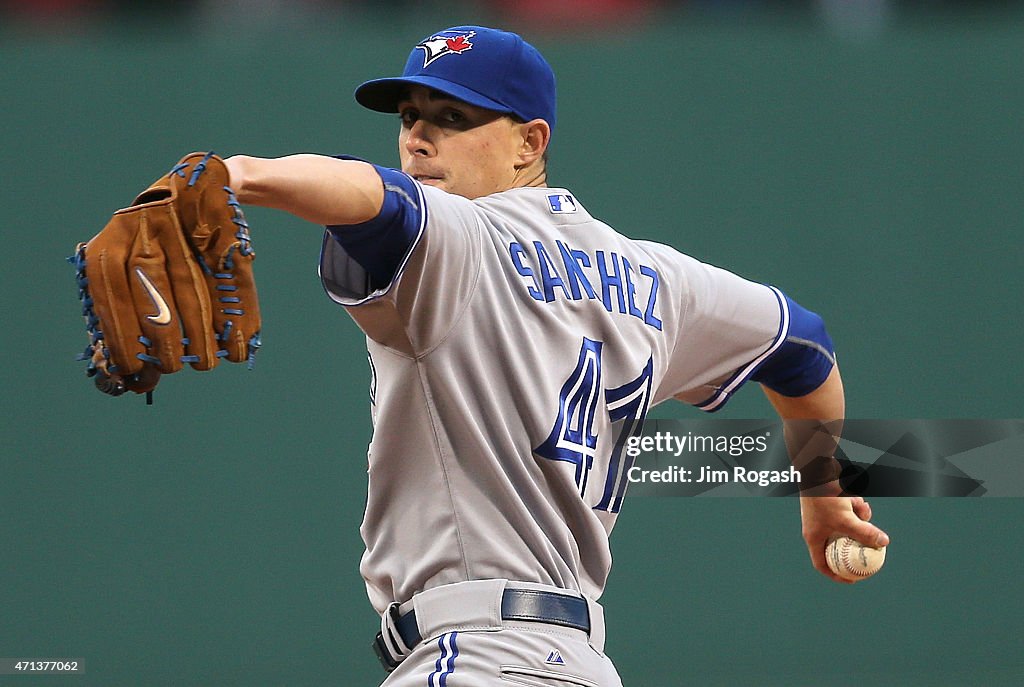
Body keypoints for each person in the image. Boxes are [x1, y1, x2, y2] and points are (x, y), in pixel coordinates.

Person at [222, 25, 890, 686]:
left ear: (529, 142)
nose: (418, 139)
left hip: (475, 658)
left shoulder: (457, 236)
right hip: (578, 664)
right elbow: (803, 345)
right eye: (409, 117)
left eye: (452, 117)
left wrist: (234, 175)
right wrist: (823, 489)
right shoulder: (657, 279)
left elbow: (371, 194)